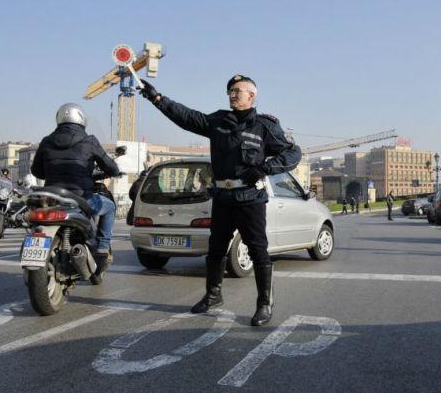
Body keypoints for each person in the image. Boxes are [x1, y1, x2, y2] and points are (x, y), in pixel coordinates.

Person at [140, 74, 301, 327]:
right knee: (215, 250)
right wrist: (157, 99)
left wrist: (265, 169)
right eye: (230, 91)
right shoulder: (217, 121)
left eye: (238, 90)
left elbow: (293, 152)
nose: (233, 94)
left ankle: (264, 304)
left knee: (258, 251)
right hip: (223, 197)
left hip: (250, 198)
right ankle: (213, 295)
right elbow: (187, 117)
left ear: (252, 95)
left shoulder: (265, 126)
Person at [31, 103, 120, 283]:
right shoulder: (89, 141)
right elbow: (111, 167)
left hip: (52, 197)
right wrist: (112, 171)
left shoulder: (47, 140)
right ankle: (102, 248)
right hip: (81, 197)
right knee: (109, 206)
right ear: (81, 119)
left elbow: (36, 171)